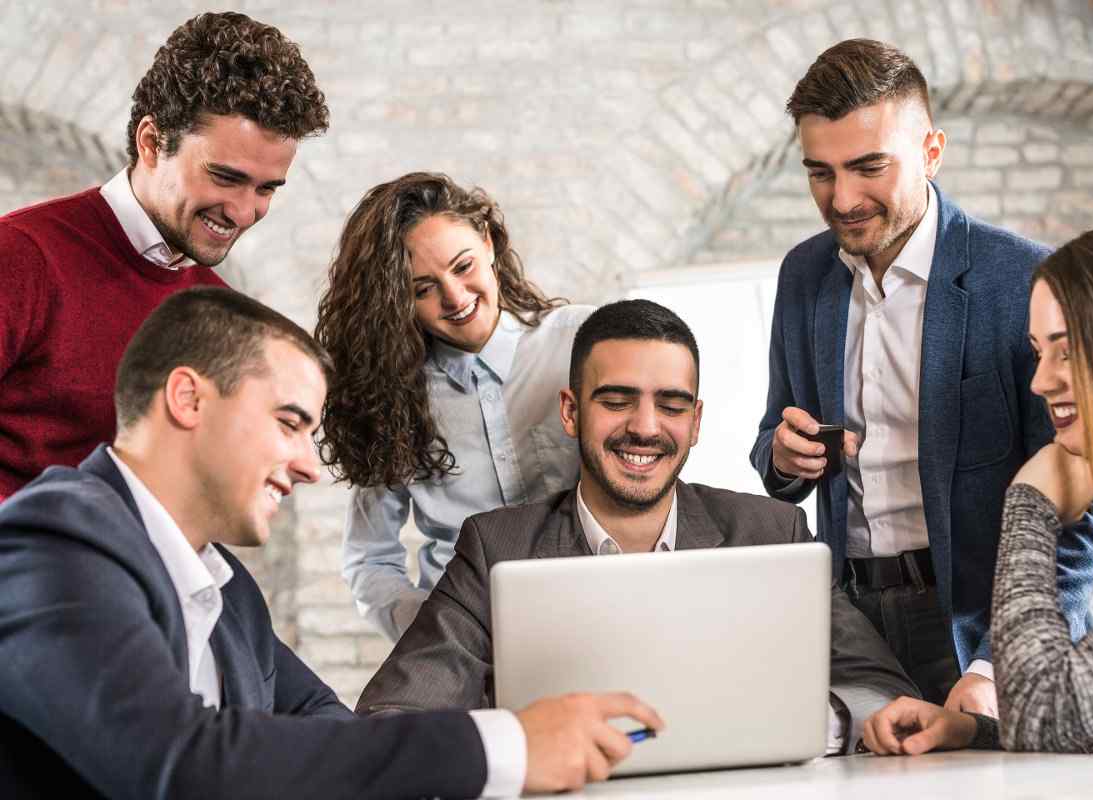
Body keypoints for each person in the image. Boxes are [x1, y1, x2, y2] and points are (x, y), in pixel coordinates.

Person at [0, 287, 662, 799]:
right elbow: (180, 764)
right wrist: (508, 745)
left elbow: (332, 732)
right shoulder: (53, 541)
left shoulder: (228, 592)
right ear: (188, 399)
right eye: (290, 424)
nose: (311, 467)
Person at [358, 299, 921, 754]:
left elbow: (882, 690)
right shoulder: (495, 547)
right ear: (571, 411)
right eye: (618, 401)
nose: (645, 427)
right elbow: (391, 717)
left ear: (696, 422)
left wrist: (803, 726)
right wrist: (520, 743)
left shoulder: (773, 531)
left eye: (672, 405)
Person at [750, 38, 1093, 715]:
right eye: (819, 173)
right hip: (850, 625)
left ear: (932, 152)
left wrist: (999, 663)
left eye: (868, 167)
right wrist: (784, 454)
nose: (842, 198)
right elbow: (774, 443)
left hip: (980, 628)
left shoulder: (1026, 280)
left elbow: (1081, 511)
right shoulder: (803, 276)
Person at [863, 218, 1093, 756]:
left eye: (1066, 351)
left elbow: (1042, 714)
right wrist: (974, 732)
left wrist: (1032, 503)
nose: (1040, 381)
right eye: (1038, 352)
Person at [0, 12, 328, 501]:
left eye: (266, 189)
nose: (242, 212)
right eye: (225, 177)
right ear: (152, 143)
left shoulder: (219, 312)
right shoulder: (22, 257)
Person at [315, 172, 593, 641]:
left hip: (592, 617)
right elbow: (369, 560)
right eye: (422, 289)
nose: (455, 298)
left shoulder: (581, 341)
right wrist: (433, 629)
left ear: (487, 242)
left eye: (462, 266)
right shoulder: (392, 397)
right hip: (467, 642)